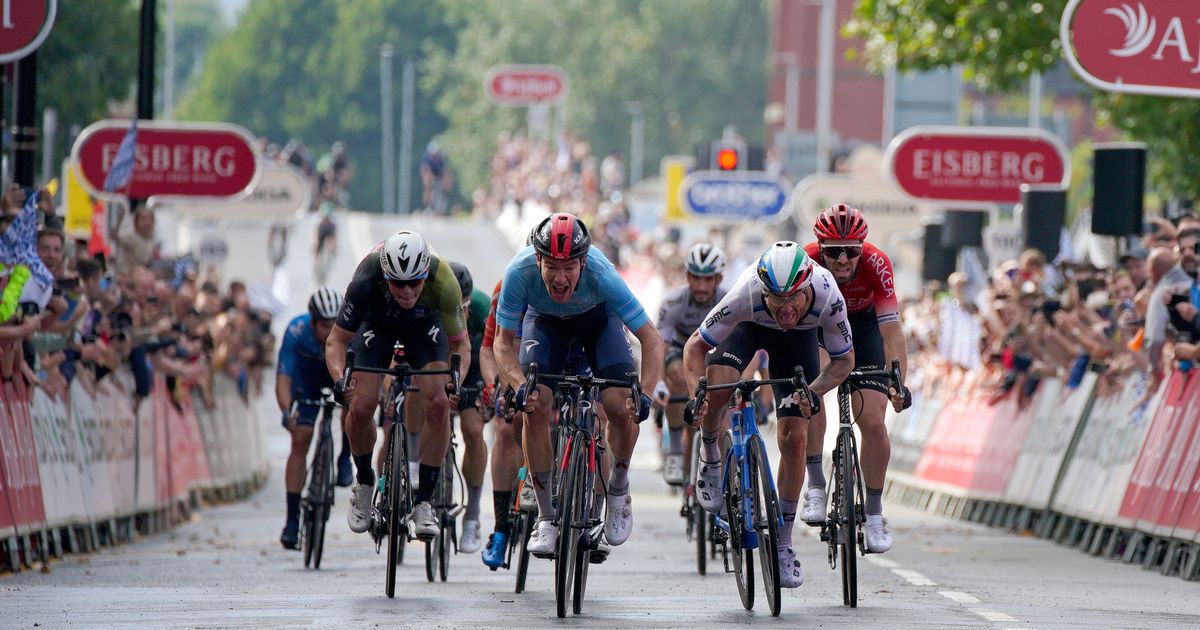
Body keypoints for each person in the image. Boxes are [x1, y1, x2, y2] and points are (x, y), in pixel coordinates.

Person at [682, 241, 854, 589]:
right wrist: (697, 396)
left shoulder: (827, 294)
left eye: (794, 298)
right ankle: (711, 454)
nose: (786, 307)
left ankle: (783, 541)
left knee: (795, 438)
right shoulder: (746, 291)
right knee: (719, 387)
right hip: (748, 328)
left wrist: (813, 391)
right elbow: (694, 346)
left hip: (798, 341)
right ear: (764, 291)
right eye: (777, 298)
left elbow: (844, 360)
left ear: (807, 287)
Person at [494, 213, 665, 557]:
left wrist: (645, 395)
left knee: (620, 407)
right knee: (534, 405)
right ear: (537, 260)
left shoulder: (602, 274)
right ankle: (546, 517)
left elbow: (652, 339)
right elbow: (502, 342)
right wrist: (518, 385)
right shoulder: (519, 271)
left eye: (569, 268)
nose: (560, 279)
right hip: (545, 324)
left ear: (583, 262)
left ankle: (618, 487)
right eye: (551, 267)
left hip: (597, 321)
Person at [324, 230, 469, 541]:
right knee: (361, 405)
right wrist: (339, 380)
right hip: (377, 323)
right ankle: (365, 482)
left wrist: (455, 383)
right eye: (398, 283)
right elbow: (336, 341)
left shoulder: (444, 281)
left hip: (425, 325)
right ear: (385, 275)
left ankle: (424, 501)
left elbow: (461, 346)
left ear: (425, 274)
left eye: (414, 283)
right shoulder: (366, 277)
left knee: (439, 403)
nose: (406, 291)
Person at [801, 204, 912, 555]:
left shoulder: (877, 263)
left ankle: (875, 514)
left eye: (851, 250)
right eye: (834, 251)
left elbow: (892, 332)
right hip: (820, 327)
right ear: (820, 248)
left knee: (874, 424)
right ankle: (816, 485)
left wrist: (898, 382)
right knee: (811, 392)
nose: (843, 259)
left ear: (862, 247)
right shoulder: (806, 262)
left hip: (864, 330)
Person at [276, 287, 352, 550]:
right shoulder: (296, 331)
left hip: (337, 376)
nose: (329, 332)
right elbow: (283, 378)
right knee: (301, 440)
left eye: (334, 325)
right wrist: (287, 411)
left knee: (352, 405)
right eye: (324, 326)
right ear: (312, 322)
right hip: (306, 383)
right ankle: (292, 520)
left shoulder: (350, 331)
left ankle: (345, 457)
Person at [655, 243, 727, 485]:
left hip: (713, 349)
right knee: (676, 375)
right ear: (687, 276)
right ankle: (675, 450)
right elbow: (660, 347)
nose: (701, 286)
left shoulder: (729, 300)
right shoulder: (673, 302)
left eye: (708, 279)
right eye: (696, 278)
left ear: (719, 278)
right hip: (680, 347)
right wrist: (659, 383)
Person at [449, 261, 492, 554]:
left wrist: (489, 391)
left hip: (475, 363)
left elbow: (496, 351)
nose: (460, 316)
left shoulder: (482, 307)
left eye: (463, 308)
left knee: (473, 431)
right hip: (443, 356)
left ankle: (473, 514)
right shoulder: (428, 304)